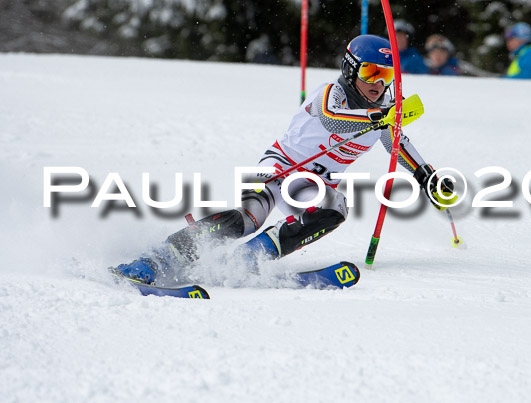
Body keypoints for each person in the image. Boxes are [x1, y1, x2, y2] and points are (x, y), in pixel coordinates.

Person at [114, 34, 456, 285]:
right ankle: (158, 257)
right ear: (351, 70)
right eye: (370, 73)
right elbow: (333, 119)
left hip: (311, 185)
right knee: (248, 217)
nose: (377, 84)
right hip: (278, 167)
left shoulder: (385, 112)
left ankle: (251, 259)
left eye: (385, 76)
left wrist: (427, 176)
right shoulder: (330, 94)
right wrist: (381, 118)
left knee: (335, 208)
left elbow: (399, 144)